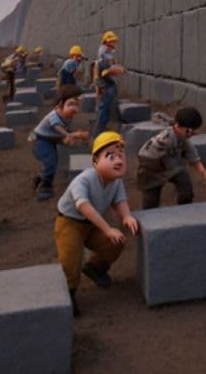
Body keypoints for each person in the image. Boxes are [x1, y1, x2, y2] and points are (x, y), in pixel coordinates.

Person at [54, 130, 138, 315]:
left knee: (115, 242)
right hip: (70, 222)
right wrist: (107, 229)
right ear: (95, 161)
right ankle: (69, 293)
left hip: (91, 225)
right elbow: (83, 206)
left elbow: (119, 201)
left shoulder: (115, 181)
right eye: (110, 156)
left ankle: (95, 268)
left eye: (120, 155)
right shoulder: (85, 179)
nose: (118, 160)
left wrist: (126, 216)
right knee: (70, 259)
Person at [135, 106, 206, 209]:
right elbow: (148, 156)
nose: (191, 134)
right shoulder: (166, 139)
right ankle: (148, 219)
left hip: (167, 164)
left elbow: (189, 147)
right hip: (150, 167)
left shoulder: (181, 136)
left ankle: (185, 207)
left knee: (183, 179)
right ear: (179, 126)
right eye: (189, 131)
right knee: (152, 197)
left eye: (193, 131)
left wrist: (199, 166)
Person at [31, 86, 89, 201]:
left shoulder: (66, 116)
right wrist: (74, 135)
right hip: (41, 142)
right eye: (71, 104)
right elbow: (60, 130)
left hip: (51, 141)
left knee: (54, 162)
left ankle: (40, 177)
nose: (75, 108)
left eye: (77, 105)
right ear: (61, 104)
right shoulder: (54, 116)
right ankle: (45, 188)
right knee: (50, 163)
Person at [92, 30, 124, 140]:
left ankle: (107, 135)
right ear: (107, 41)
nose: (114, 43)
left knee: (110, 111)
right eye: (112, 41)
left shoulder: (106, 52)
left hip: (107, 85)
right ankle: (97, 137)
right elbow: (104, 71)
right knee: (104, 113)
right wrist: (116, 70)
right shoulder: (105, 53)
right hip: (107, 85)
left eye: (115, 41)